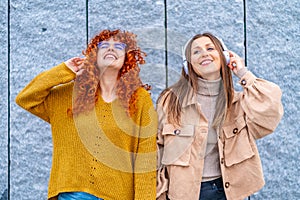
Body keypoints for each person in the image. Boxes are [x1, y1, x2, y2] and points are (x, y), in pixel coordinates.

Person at [16, 29, 157, 200]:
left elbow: (145, 161)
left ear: (127, 58)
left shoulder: (140, 99)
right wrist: (64, 71)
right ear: (94, 56)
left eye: (118, 46)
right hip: (73, 194)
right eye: (104, 45)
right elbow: (26, 98)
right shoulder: (71, 94)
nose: (111, 49)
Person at [156, 32, 283, 200]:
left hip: (226, 192)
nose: (204, 54)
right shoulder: (170, 100)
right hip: (183, 194)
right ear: (188, 65)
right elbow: (156, 150)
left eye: (210, 48)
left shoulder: (239, 103)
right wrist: (160, 193)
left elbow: (270, 107)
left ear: (224, 57)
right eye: (196, 51)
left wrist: (243, 72)